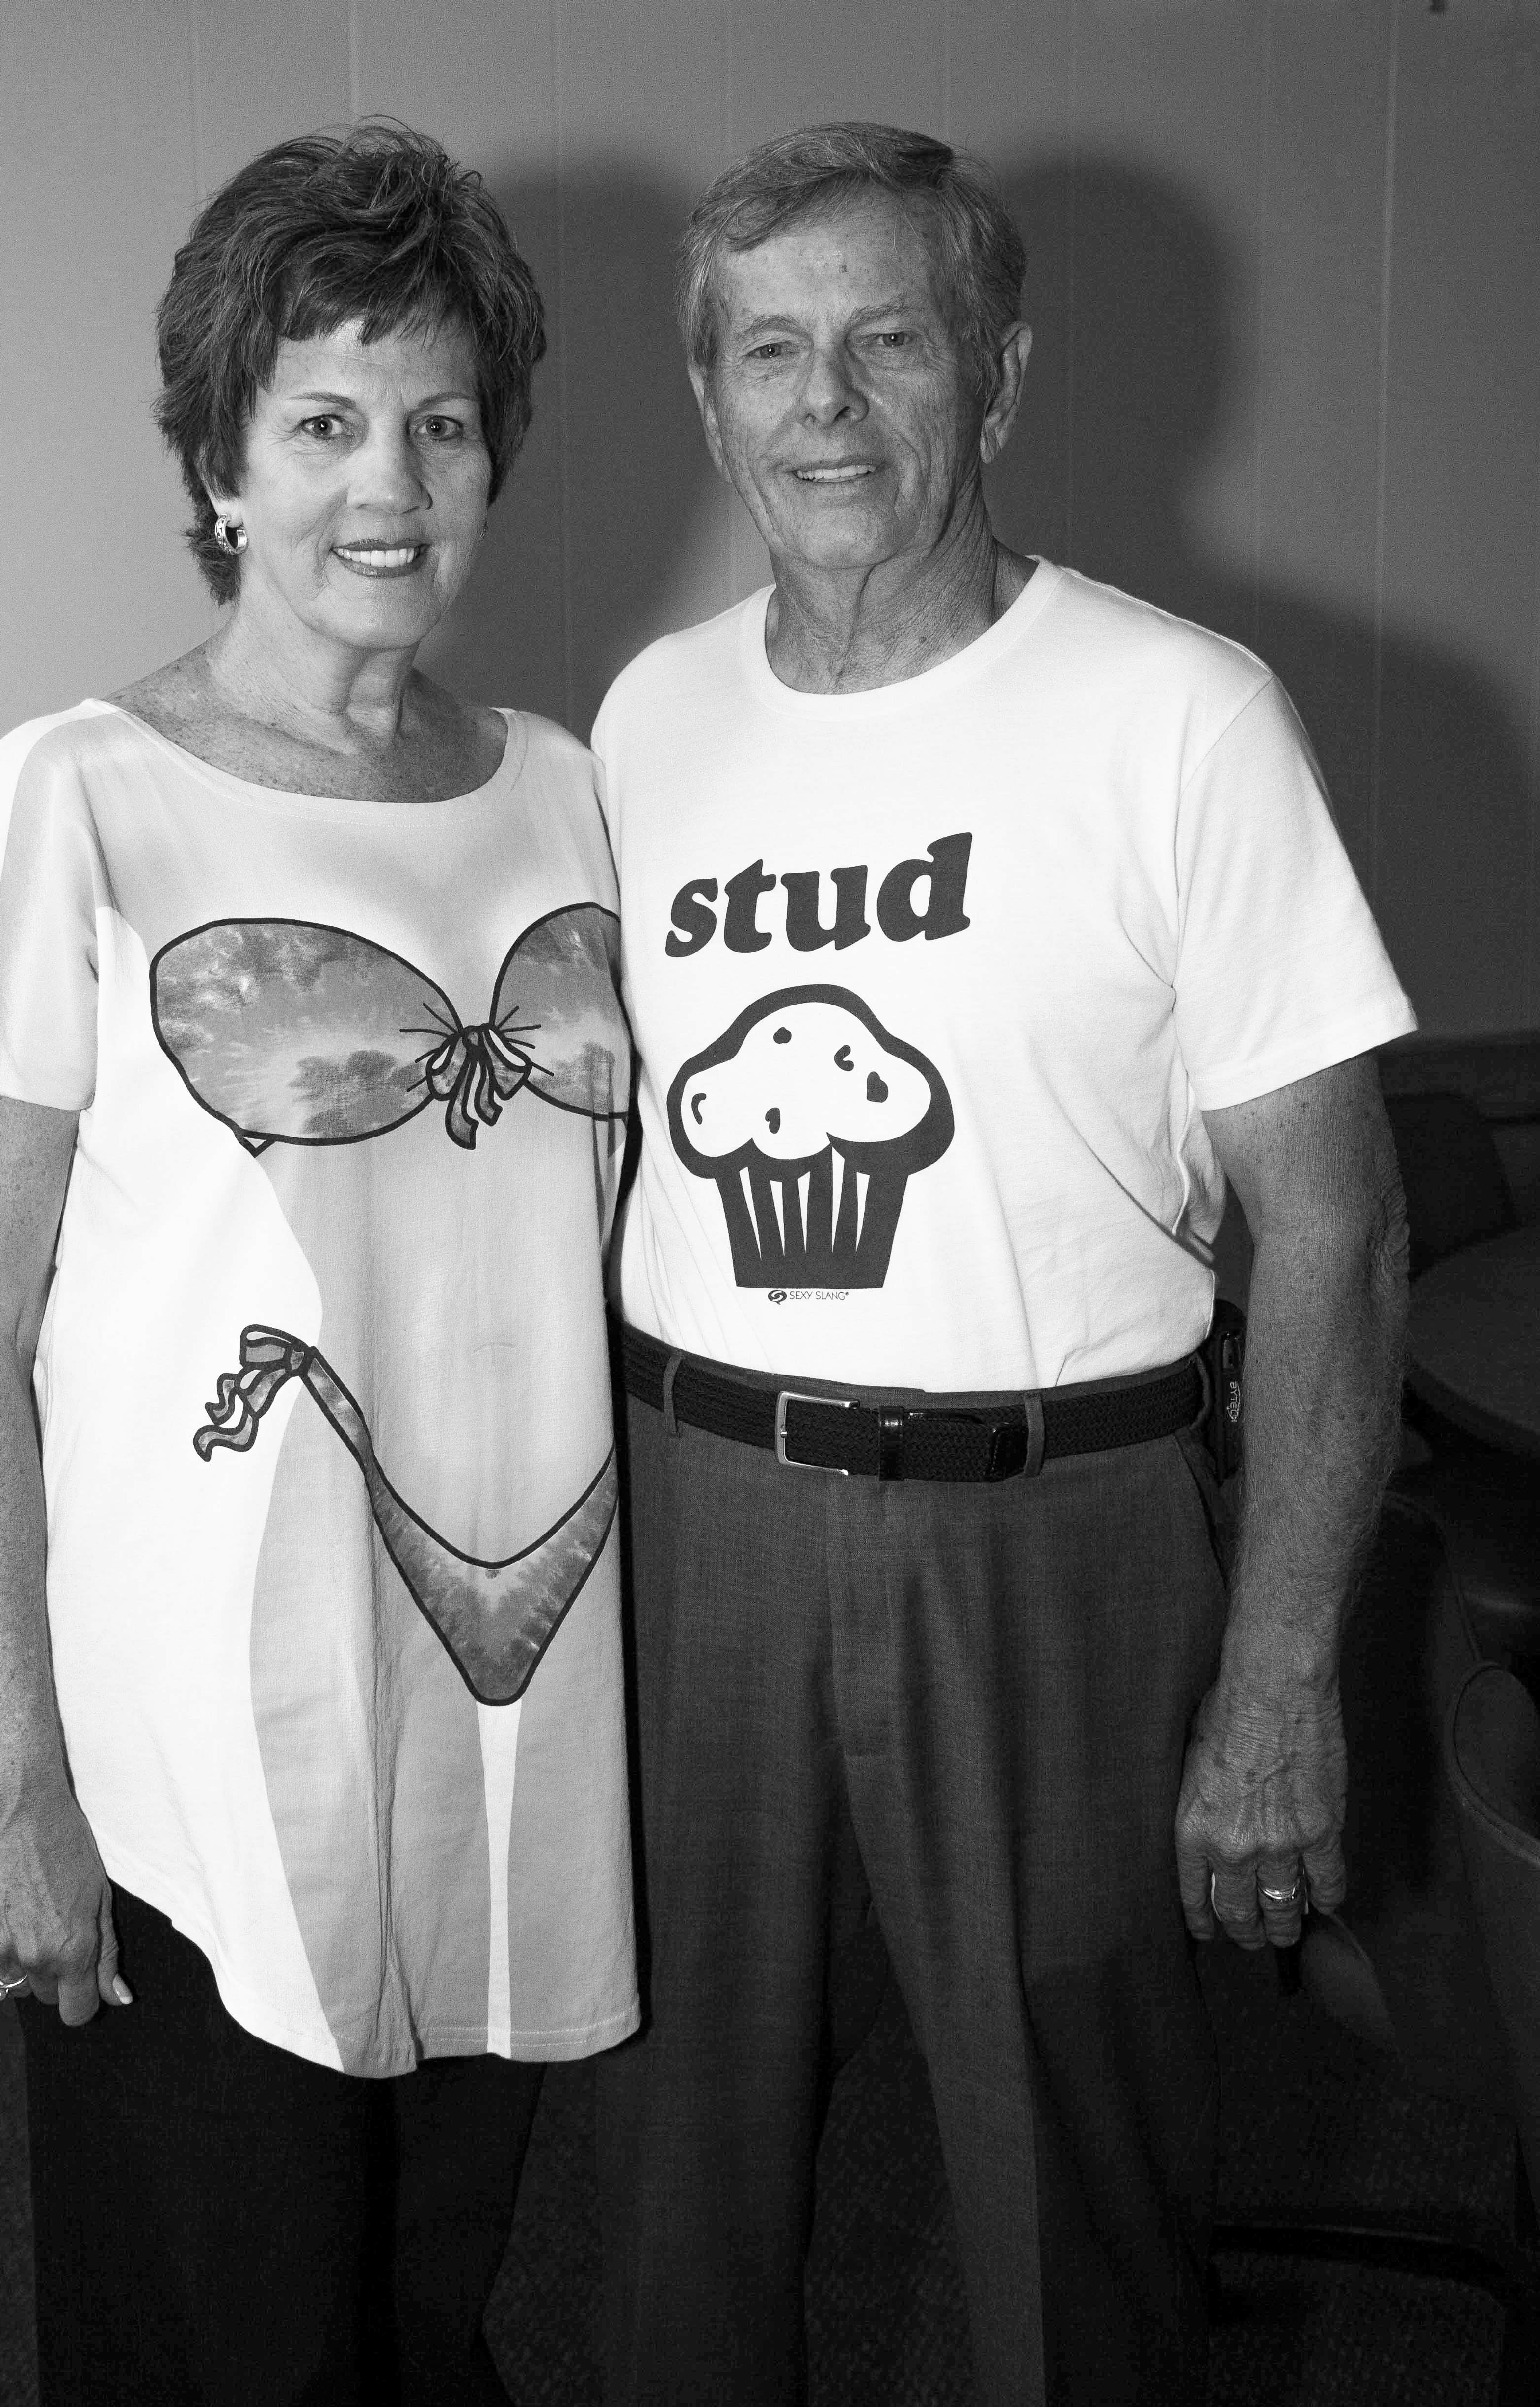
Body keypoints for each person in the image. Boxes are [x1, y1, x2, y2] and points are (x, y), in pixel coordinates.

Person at [590, 121, 1414, 2405]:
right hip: (702, 1526)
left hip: (1061, 1542)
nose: (827, 404)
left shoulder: (1180, 717)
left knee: (1077, 2203)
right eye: (772, 352)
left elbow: (1339, 1233)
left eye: (889, 341)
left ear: (1002, 374)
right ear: (710, 401)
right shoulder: (650, 720)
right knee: (667, 2179)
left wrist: (1278, 1685)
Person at [0, 120, 638, 2405]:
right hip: (202, 1753)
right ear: (218, 465)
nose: (389, 485)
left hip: (510, 1720)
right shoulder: (78, 798)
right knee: (222, 2334)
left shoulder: (568, 788)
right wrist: (14, 1776)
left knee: (428, 2311)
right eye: (322, 423)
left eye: (442, 423)